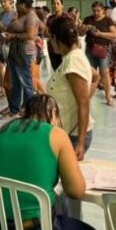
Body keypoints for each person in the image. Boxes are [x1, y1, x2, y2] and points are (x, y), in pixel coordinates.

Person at [0, 94, 101, 230]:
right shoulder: (55, 134)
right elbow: (76, 191)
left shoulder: (3, 131)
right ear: (53, 113)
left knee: (57, 213)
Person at [45, 16, 97, 160]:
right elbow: (96, 77)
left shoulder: (73, 61)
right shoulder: (72, 57)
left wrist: (80, 143)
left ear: (55, 38)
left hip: (73, 136)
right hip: (67, 131)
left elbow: (83, 102)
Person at [2, 0, 40, 116]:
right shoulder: (21, 15)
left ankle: (28, 109)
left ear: (23, 5)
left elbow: (30, 35)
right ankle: (15, 108)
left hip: (24, 52)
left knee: (26, 82)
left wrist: (13, 36)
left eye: (17, 4)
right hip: (16, 50)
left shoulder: (31, 17)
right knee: (16, 82)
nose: (16, 6)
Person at [81, 0, 116, 106]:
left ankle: (108, 96)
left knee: (104, 73)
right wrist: (84, 28)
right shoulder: (88, 19)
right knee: (90, 73)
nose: (96, 13)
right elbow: (80, 33)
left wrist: (100, 34)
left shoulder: (108, 20)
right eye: (94, 11)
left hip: (103, 50)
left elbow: (114, 34)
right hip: (90, 49)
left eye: (98, 11)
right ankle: (88, 97)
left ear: (103, 10)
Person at [0, 0, 16, 102]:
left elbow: (14, 29)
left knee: (11, 69)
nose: (3, 4)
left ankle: (11, 91)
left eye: (5, 1)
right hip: (2, 44)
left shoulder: (15, 14)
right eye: (1, 2)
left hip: (11, 45)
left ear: (11, 2)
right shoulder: (1, 14)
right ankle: (3, 89)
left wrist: (3, 28)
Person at [46, 0, 67, 71]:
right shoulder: (50, 18)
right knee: (56, 70)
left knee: (65, 70)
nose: (55, 5)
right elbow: (46, 32)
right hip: (52, 49)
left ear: (62, 5)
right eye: (54, 4)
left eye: (58, 4)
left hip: (64, 48)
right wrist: (50, 35)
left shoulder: (66, 17)